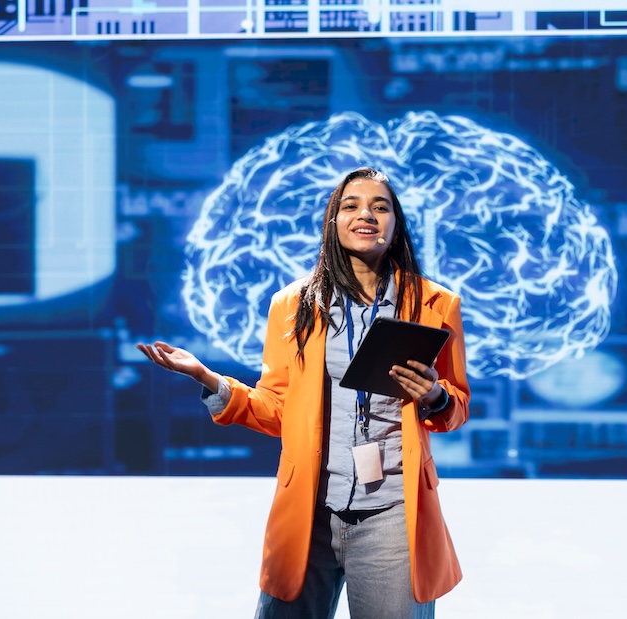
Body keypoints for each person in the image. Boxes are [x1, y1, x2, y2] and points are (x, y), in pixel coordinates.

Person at [137, 167, 470, 619]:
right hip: (310, 508)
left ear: (395, 225)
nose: (365, 214)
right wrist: (209, 379)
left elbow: (455, 406)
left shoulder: (436, 304)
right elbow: (276, 409)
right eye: (350, 205)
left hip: (394, 509)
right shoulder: (292, 305)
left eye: (380, 206)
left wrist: (435, 396)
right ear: (333, 223)